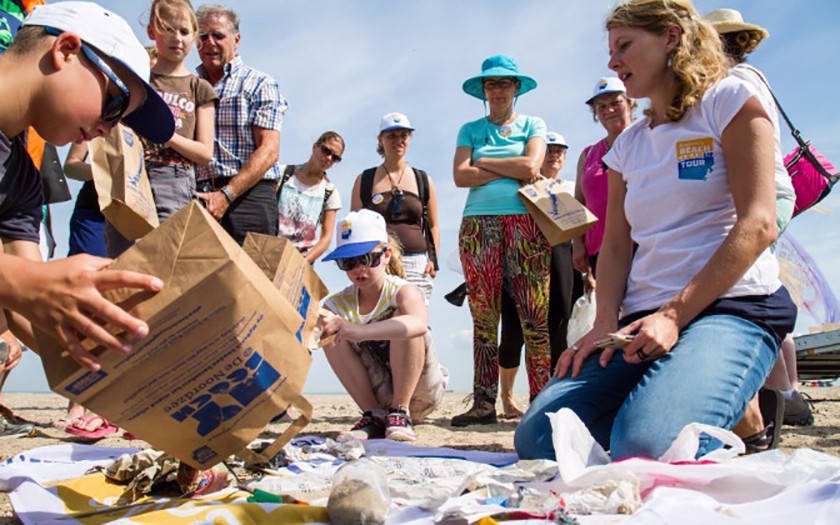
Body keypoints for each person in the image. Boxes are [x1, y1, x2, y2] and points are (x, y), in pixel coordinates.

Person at [515, 0, 797, 461]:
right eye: (611, 49)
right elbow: (617, 243)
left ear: (670, 36)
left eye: (625, 45)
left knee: (646, 444)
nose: (612, 61)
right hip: (641, 320)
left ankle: (722, 407)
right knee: (540, 439)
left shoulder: (728, 100)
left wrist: (674, 314)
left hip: (730, 306)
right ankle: (690, 398)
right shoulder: (628, 144)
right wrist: (604, 324)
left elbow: (760, 222)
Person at [0, 1, 173, 372]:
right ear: (66, 50)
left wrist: (132, 353)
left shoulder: (22, 180)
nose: (106, 130)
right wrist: (28, 282)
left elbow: (31, 308)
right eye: (114, 107)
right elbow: (26, 283)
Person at [705, 7, 813, 431]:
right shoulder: (755, 78)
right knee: (758, 284)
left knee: (742, 291)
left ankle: (770, 398)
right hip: (774, 191)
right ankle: (786, 396)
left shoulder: (732, 83)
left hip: (759, 192)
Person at [451, 55, 549, 427]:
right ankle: (483, 402)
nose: (497, 89)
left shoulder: (533, 123)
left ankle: (541, 400)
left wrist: (484, 163)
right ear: (483, 89)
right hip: (478, 224)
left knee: (534, 315)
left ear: (516, 87)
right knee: (484, 318)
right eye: (491, 83)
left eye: (504, 82)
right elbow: (460, 176)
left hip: (526, 221)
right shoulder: (469, 128)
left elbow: (532, 167)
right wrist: (511, 164)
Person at [319, 209, 445, 442]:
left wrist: (359, 331)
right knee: (329, 327)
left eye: (366, 259)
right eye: (348, 262)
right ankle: (374, 415)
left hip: (420, 391)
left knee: (403, 320)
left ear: (386, 255)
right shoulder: (337, 304)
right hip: (378, 393)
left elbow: (418, 323)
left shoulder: (403, 290)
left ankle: (400, 412)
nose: (358, 269)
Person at [498, 132, 577, 419]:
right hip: (521, 261)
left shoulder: (571, 187)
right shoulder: (519, 187)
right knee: (513, 332)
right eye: (549, 150)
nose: (554, 155)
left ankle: (548, 395)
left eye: (559, 151)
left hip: (562, 262)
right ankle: (506, 397)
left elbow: (577, 225)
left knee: (559, 329)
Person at [194, 4, 288, 245]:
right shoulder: (189, 86)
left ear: (236, 40)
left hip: (250, 198)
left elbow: (269, 151)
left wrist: (226, 194)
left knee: (251, 280)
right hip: (200, 197)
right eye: (202, 36)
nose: (210, 43)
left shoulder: (259, 83)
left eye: (218, 35)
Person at [351, 113, 440, 304]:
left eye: (403, 135)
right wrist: (358, 264)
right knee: (382, 321)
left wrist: (433, 259)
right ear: (380, 139)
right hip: (377, 262)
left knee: (414, 320)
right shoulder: (364, 180)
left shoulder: (423, 180)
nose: (398, 141)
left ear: (410, 138)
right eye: (391, 136)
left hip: (416, 263)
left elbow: (433, 225)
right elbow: (354, 226)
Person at [572, 77, 636, 288]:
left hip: (642, 245)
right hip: (600, 251)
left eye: (616, 103)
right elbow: (579, 204)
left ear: (630, 103)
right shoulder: (588, 154)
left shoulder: (646, 139)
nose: (609, 111)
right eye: (601, 107)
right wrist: (578, 244)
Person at [276, 131, 344, 263]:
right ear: (315, 147)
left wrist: (305, 260)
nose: (329, 158)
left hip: (299, 259)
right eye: (326, 150)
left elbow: (326, 237)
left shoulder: (329, 191)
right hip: (271, 249)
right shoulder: (284, 173)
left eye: (335, 157)